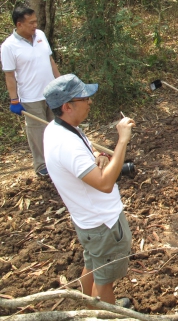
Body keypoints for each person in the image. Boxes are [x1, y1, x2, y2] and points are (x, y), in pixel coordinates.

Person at [43, 74, 135, 305]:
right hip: (103, 223)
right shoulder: (66, 144)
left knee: (93, 265)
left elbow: (83, 157)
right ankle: (105, 314)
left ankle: (86, 306)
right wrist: (122, 140)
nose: (90, 102)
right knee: (104, 282)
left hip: (87, 221)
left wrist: (98, 155)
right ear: (67, 106)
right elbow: (104, 183)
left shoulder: (58, 129)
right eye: (84, 98)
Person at [1, 6, 60, 176]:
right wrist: (14, 100)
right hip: (31, 97)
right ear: (19, 24)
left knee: (57, 127)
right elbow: (9, 75)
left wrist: (61, 83)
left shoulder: (40, 35)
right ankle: (41, 165)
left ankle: (58, 160)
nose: (35, 25)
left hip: (52, 92)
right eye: (31, 23)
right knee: (37, 132)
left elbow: (50, 60)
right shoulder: (8, 46)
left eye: (35, 22)